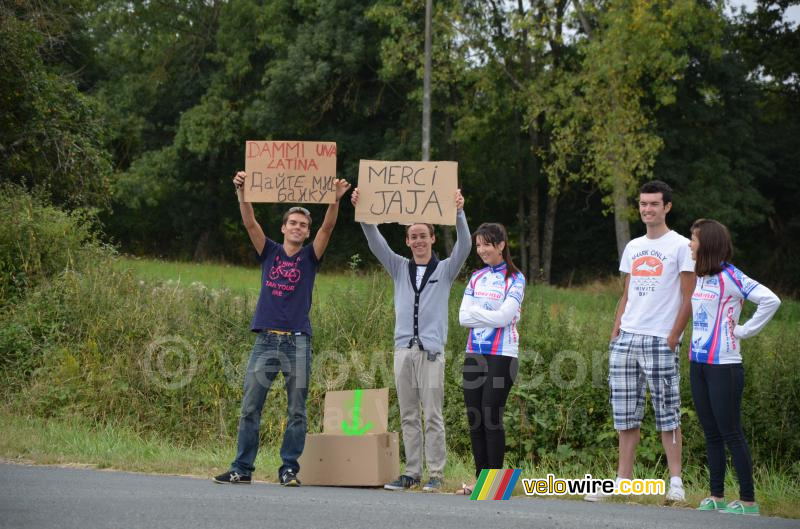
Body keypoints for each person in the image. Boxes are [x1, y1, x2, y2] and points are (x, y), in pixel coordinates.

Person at [214, 171, 351, 487]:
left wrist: (334, 200)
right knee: (250, 406)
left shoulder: (310, 257)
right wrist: (243, 191)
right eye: (293, 223)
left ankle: (289, 468)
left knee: (296, 410)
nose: (298, 228)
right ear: (283, 227)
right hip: (265, 340)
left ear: (307, 232)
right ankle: (242, 468)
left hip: (297, 342)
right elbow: (250, 223)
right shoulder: (270, 251)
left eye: (303, 225)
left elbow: (329, 227)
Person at [350, 187, 470, 492]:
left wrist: (458, 212)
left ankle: (437, 473)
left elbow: (465, 245)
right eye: (413, 236)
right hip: (403, 351)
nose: (418, 240)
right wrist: (364, 215)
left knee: (432, 415)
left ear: (431, 238)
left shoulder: (444, 270)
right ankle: (412, 471)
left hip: (431, 353)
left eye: (423, 235)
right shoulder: (399, 267)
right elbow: (376, 243)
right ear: (407, 241)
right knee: (407, 414)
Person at [585, 180, 695, 503]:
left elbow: (689, 297)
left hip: (661, 339)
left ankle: (676, 482)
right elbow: (627, 292)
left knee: (667, 411)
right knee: (625, 414)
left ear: (667, 207)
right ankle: (623, 481)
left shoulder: (681, 246)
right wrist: (615, 330)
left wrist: (674, 337)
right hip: (627, 339)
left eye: (654, 204)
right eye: (643, 204)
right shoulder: (633, 246)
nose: (647, 209)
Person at [688, 219, 780, 516]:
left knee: (731, 433)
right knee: (711, 432)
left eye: (694, 239)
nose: (690, 243)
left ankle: (749, 501)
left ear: (709, 244)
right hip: (698, 362)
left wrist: (744, 330)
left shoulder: (732, 276)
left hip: (724, 365)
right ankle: (716, 495)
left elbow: (770, 300)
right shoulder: (700, 276)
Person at [456, 223, 525, 496]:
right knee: (475, 418)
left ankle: (496, 484)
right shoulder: (476, 277)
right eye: (479, 245)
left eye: (487, 244)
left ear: (501, 245)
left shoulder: (516, 278)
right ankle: (480, 482)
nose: (482, 249)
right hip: (475, 352)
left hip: (503, 354)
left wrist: (480, 314)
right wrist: (492, 316)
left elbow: (505, 318)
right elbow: (462, 318)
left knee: (490, 415)